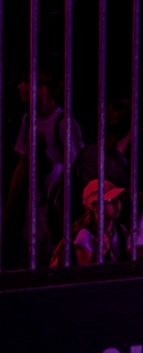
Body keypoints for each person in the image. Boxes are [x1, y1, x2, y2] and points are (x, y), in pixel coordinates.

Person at [4, 67, 83, 267]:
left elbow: (76, 168)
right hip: (34, 209)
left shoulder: (64, 123)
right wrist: (10, 208)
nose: (20, 87)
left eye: (25, 82)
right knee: (30, 259)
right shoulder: (28, 120)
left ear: (40, 89)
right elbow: (23, 165)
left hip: (57, 212)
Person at [51, 181, 128, 268]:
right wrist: (102, 253)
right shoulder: (85, 236)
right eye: (110, 200)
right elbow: (86, 273)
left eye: (118, 198)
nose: (117, 203)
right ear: (94, 206)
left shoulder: (121, 230)